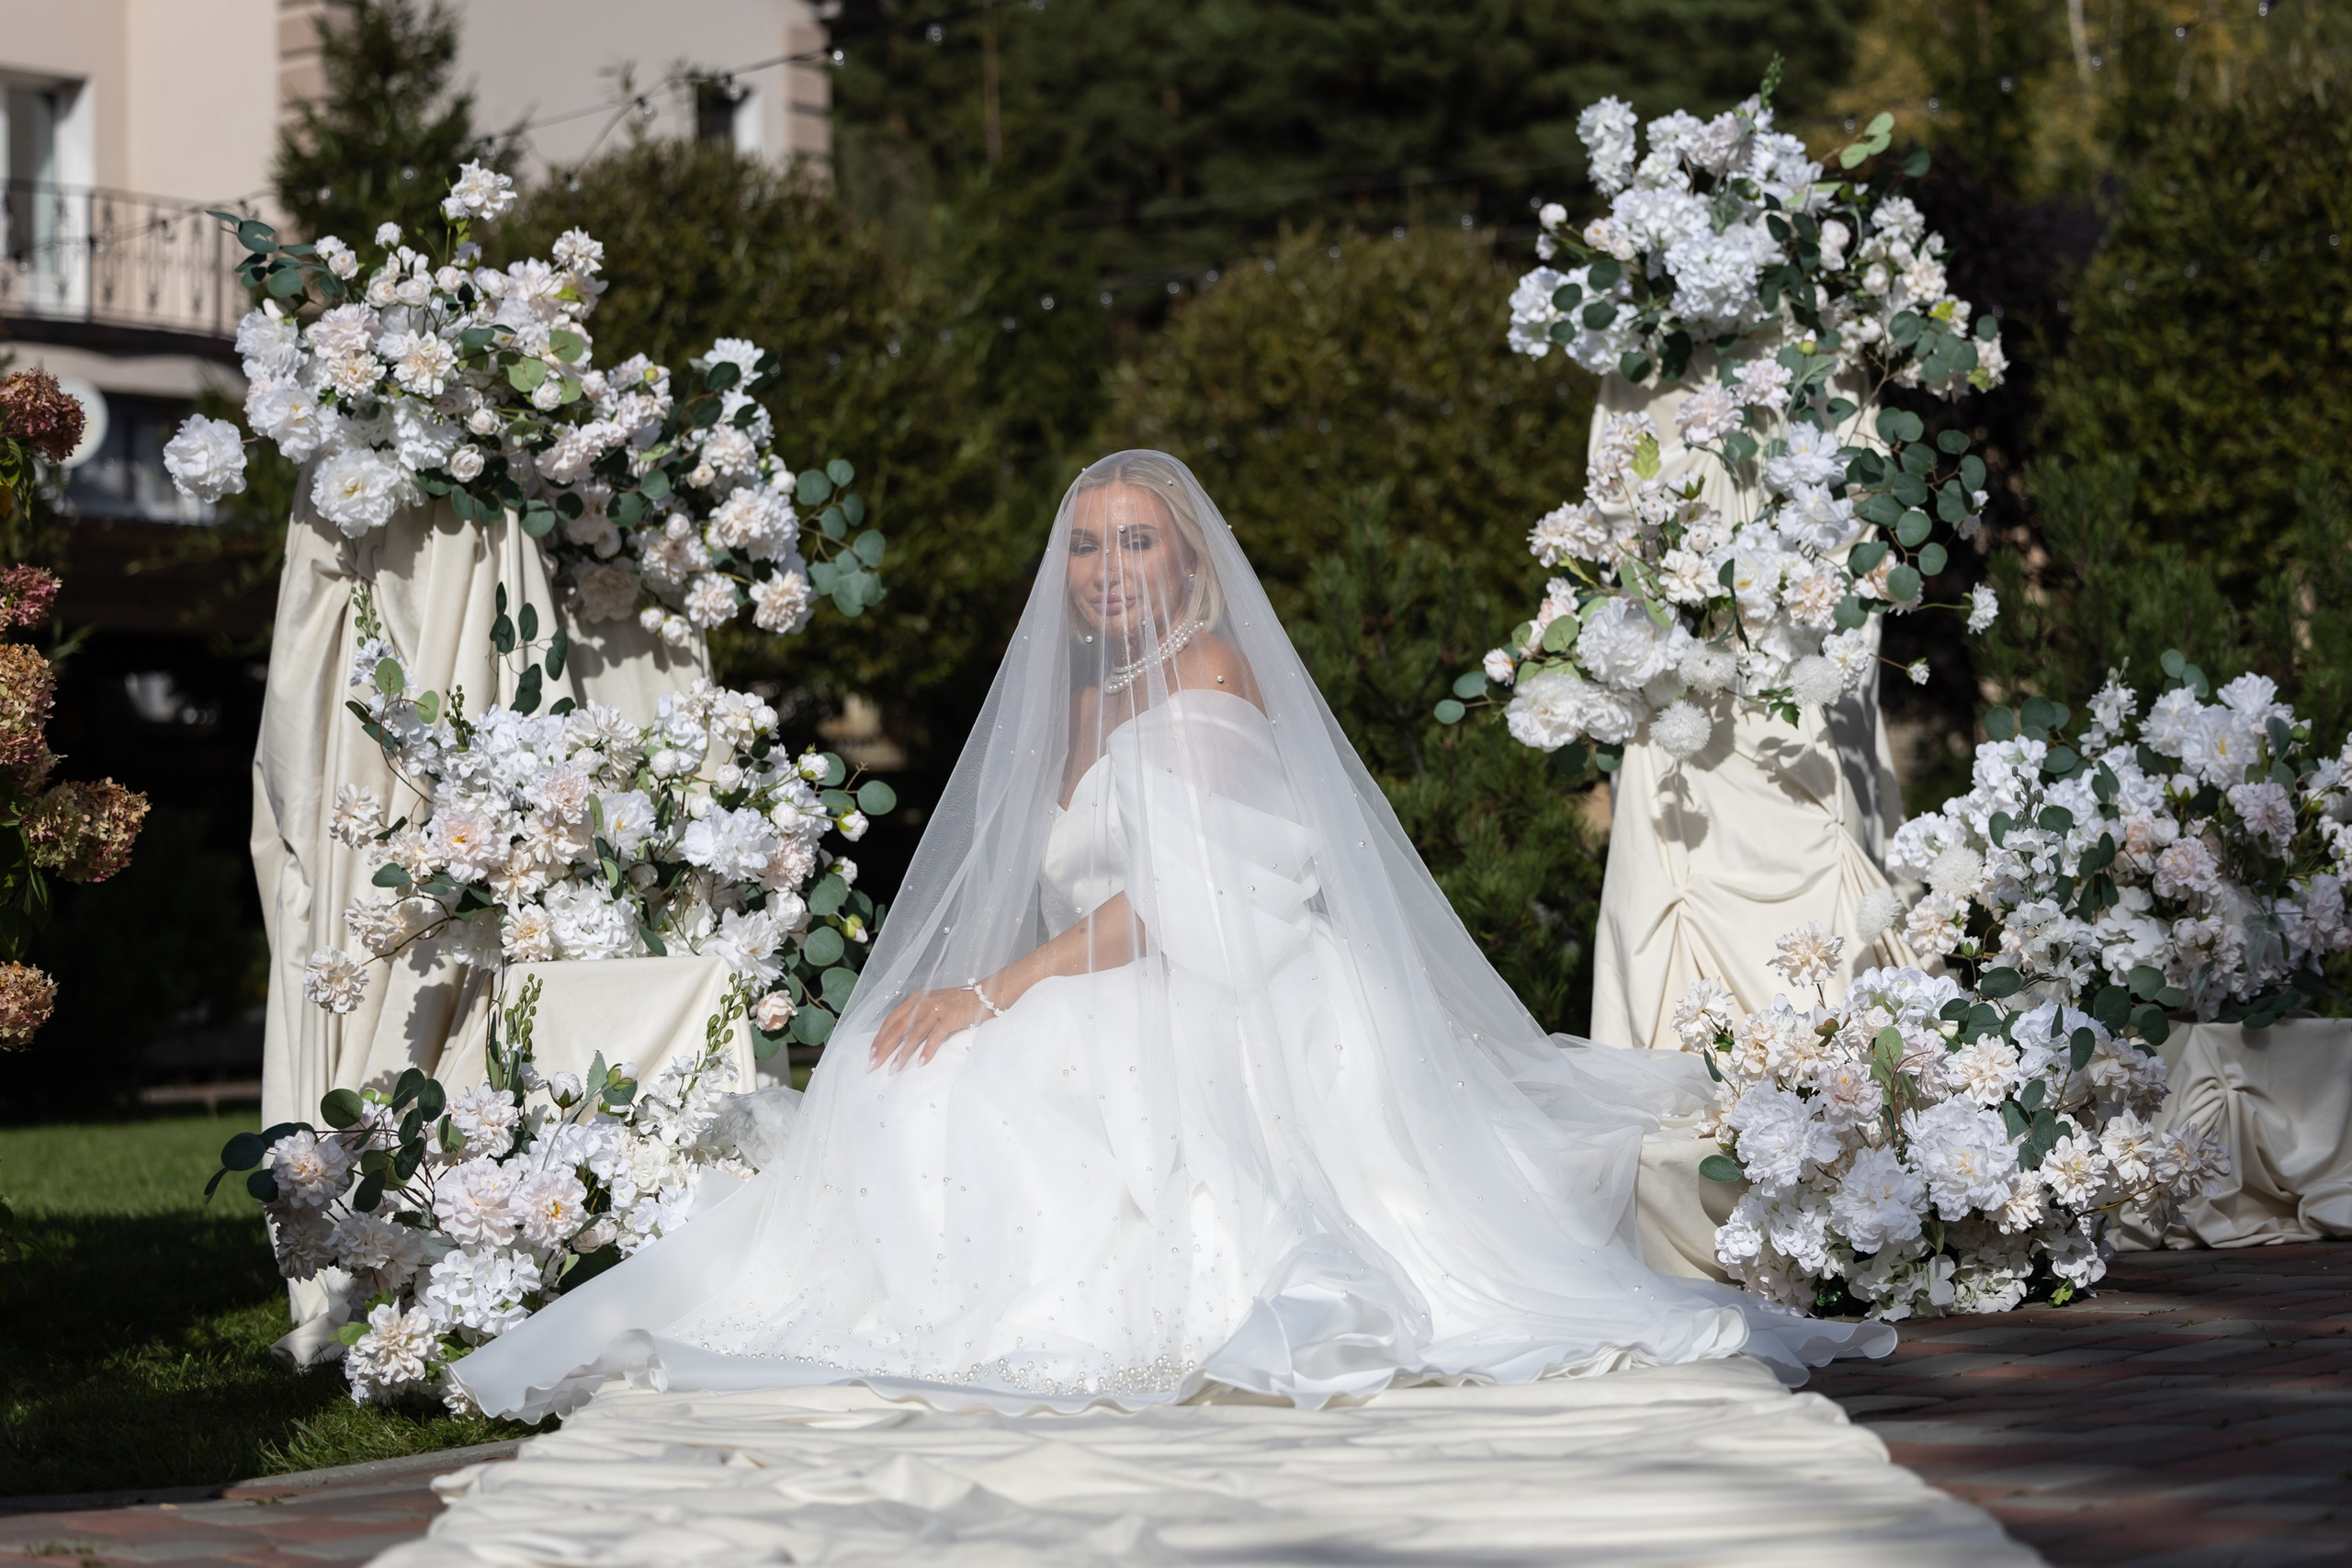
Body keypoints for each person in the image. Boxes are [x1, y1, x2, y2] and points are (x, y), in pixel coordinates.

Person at [451, 450, 1889, 1423]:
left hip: (1235, 987)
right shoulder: (1081, 700)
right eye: (1085, 545)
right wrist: (985, 987)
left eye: (1134, 540)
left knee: (969, 1067)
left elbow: (1194, 909)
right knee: (912, 1072)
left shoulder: (1202, 669)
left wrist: (996, 990)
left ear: (1187, 559)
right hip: (1130, 976)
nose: (1104, 565)